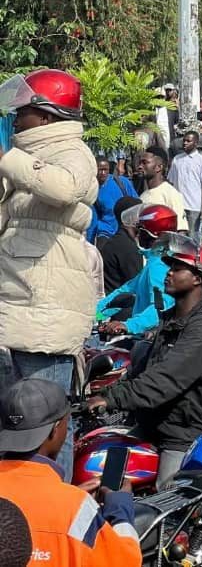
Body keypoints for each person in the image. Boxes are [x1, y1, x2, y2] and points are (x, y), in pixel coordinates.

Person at [0, 69, 99, 480]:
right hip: (19, 302)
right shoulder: (23, 162)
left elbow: (61, 189)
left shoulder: (73, 152)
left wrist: (8, 157)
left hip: (46, 308)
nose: (16, 121)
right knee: (16, 418)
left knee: (46, 417)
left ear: (45, 117)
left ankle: (51, 503)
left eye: (22, 113)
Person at [88, 236, 202, 489]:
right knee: (103, 467)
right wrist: (102, 392)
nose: (168, 273)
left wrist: (112, 399)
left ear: (198, 278)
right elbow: (145, 368)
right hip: (157, 424)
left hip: (185, 434)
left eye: (176, 268)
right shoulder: (171, 317)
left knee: (166, 504)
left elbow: (166, 379)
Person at [0, 379, 141, 567]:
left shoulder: (73, 502)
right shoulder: (75, 507)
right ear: (56, 430)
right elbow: (126, 561)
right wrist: (120, 508)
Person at [97, 204, 178, 335]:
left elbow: (159, 308)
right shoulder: (154, 262)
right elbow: (124, 292)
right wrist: (95, 316)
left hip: (148, 340)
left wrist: (128, 325)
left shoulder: (158, 267)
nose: (137, 234)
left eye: (141, 230)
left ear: (150, 234)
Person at [168, 130, 202, 245]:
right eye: (184, 140)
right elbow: (171, 183)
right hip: (179, 204)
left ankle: (194, 257)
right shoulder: (177, 160)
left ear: (196, 143)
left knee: (193, 235)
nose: (185, 143)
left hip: (194, 205)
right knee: (178, 234)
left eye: (188, 141)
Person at [135, 147, 188, 230]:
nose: (140, 167)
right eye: (140, 163)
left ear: (159, 167)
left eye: (145, 163)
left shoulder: (170, 193)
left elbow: (181, 229)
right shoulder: (143, 195)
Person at [99, 196, 144, 293]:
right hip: (120, 304)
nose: (144, 218)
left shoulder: (116, 242)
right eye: (141, 214)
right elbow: (136, 286)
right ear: (131, 217)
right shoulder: (126, 247)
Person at [88, 156, 137, 245]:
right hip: (105, 234)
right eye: (100, 170)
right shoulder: (93, 190)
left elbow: (137, 204)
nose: (103, 173)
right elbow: (93, 220)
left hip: (124, 233)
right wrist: (89, 243)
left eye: (105, 170)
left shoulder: (121, 182)